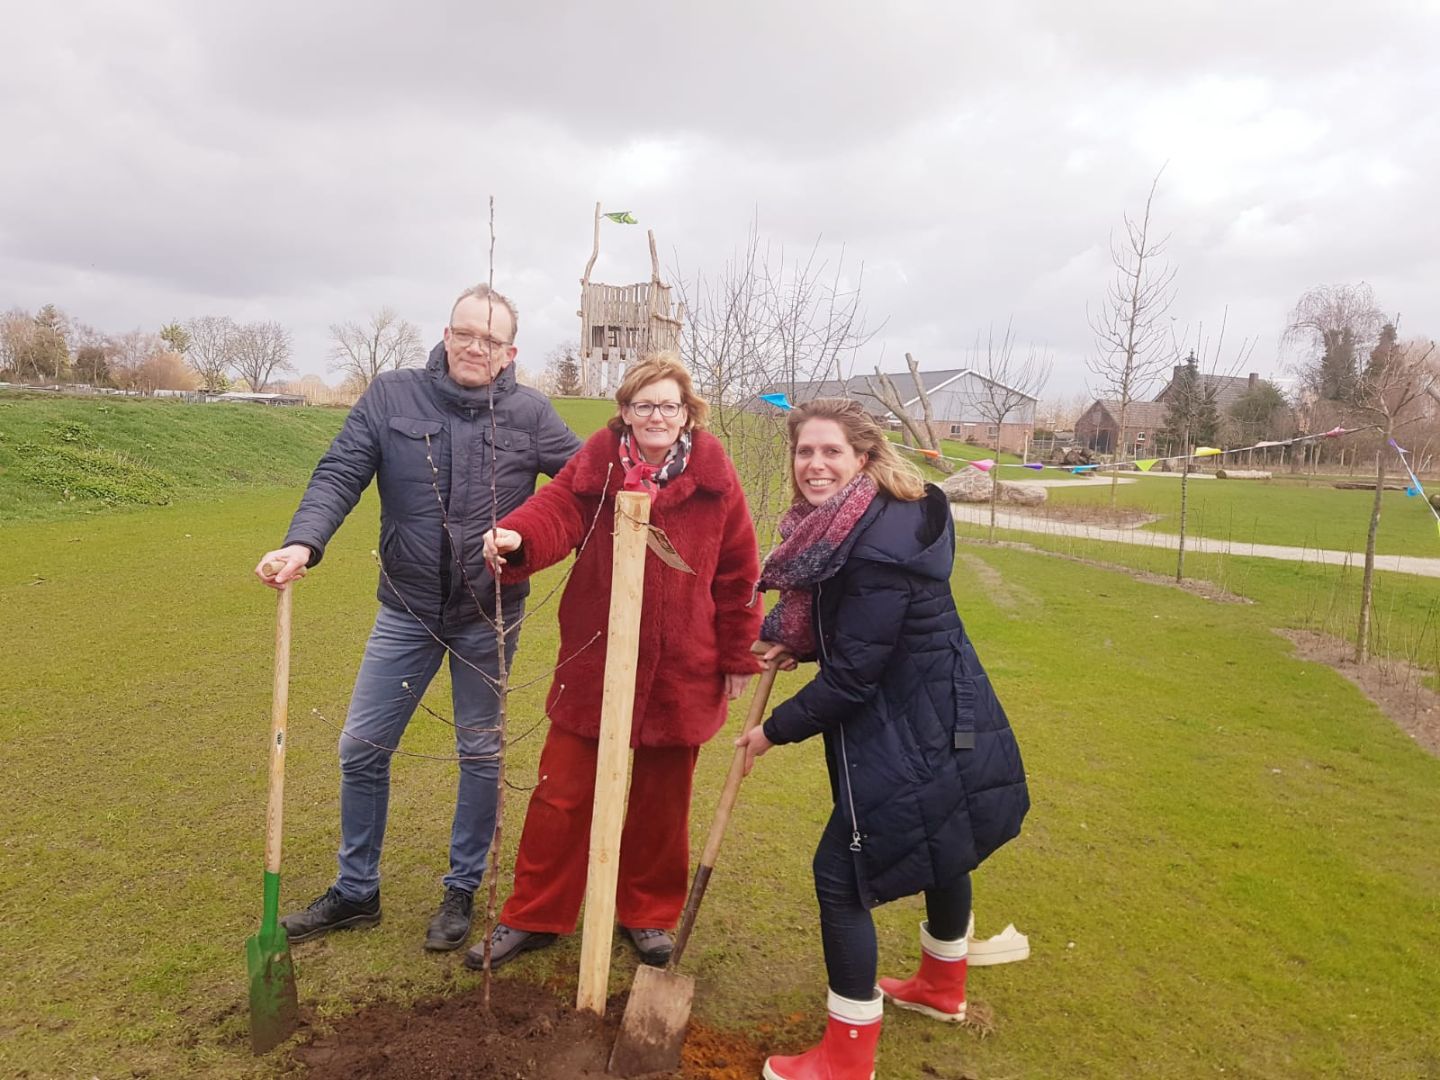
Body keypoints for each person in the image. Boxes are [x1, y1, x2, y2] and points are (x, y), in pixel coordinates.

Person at [254, 284, 581, 953]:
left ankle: (460, 890)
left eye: (489, 339)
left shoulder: (531, 414)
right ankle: (355, 891)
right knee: (362, 747)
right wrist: (302, 541)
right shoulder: (392, 395)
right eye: (464, 332)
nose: (473, 346)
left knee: (481, 753)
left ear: (509, 351)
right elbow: (341, 470)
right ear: (446, 333)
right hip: (404, 610)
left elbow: (584, 487)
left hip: (487, 615)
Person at [735, 397, 1029, 1080]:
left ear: (863, 458)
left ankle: (845, 1059)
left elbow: (855, 678)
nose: (815, 464)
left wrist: (770, 733)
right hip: (945, 712)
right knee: (943, 844)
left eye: (831, 451)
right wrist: (796, 645)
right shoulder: (872, 519)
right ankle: (940, 986)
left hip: (915, 728)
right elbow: (863, 633)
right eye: (805, 451)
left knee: (839, 876)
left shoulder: (871, 548)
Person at [473, 352, 762, 970]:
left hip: (682, 667)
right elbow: (557, 513)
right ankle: (534, 914)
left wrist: (738, 651)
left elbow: (739, 570)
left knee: (663, 801)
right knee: (562, 794)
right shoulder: (599, 464)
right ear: (625, 411)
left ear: (688, 415)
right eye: (643, 404)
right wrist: (517, 537)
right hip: (595, 658)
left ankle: (649, 913)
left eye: (669, 405)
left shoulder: (716, 479)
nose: (656, 415)